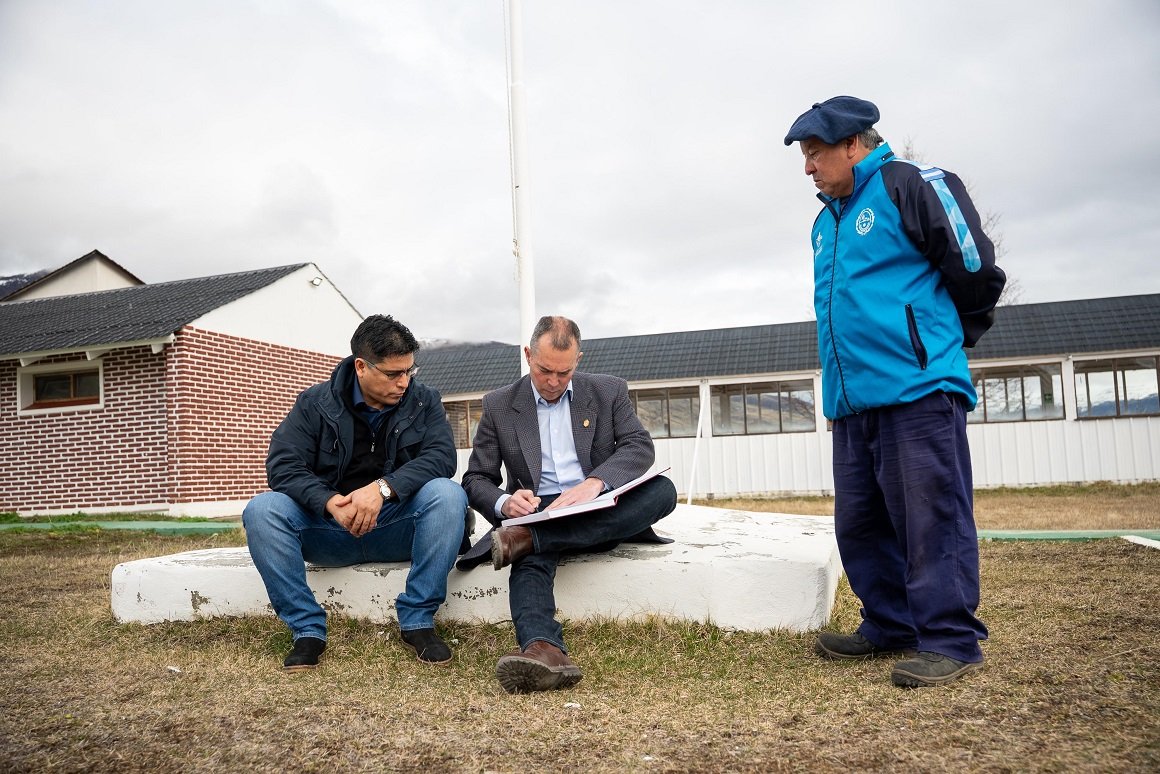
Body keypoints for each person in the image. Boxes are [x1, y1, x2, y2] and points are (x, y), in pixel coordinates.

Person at [783, 96, 1006, 688]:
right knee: (860, 523)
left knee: (932, 518)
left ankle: (950, 639)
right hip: (852, 400)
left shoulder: (912, 184)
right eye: (804, 156)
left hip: (917, 390)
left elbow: (974, 267)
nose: (808, 167)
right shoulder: (824, 222)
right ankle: (890, 623)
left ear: (853, 144)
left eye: (815, 153)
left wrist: (939, 341)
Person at [460, 316, 678, 694]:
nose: (553, 381)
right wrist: (505, 502)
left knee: (663, 491)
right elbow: (476, 478)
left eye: (564, 372)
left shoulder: (608, 390)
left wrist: (596, 483)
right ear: (528, 355)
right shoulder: (499, 404)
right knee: (531, 557)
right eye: (544, 370)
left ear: (579, 359)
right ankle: (543, 650)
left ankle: (531, 539)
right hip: (536, 507)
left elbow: (638, 446)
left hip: (598, 501)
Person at [243, 314, 468, 671]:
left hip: (396, 527)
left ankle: (418, 621)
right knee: (262, 510)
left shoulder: (424, 400)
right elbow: (283, 466)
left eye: (410, 371)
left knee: (448, 494)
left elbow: (441, 458)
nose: (404, 382)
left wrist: (383, 489)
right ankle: (307, 630)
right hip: (330, 529)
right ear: (361, 366)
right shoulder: (314, 403)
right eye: (393, 374)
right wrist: (329, 502)